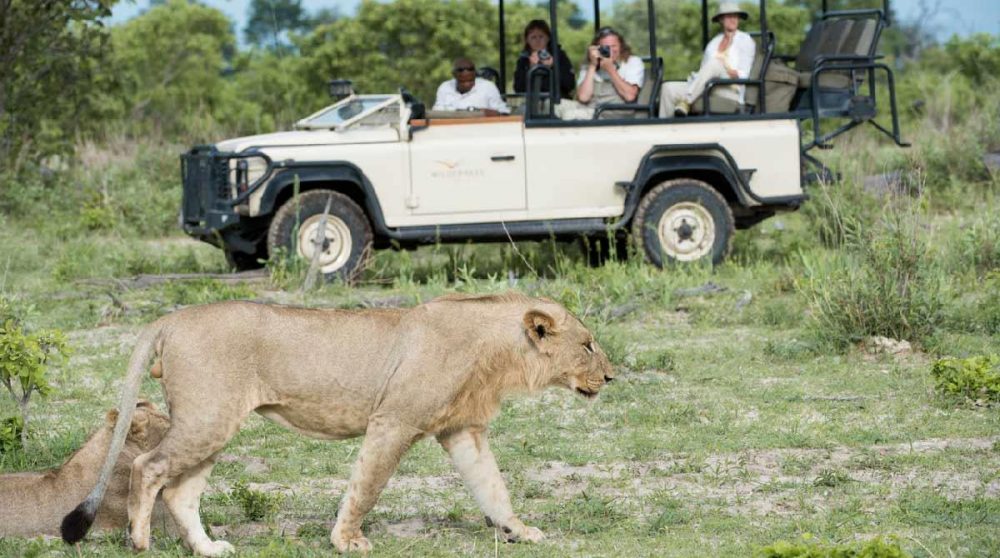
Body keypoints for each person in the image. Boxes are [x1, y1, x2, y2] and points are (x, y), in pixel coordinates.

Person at [659, 2, 755, 117]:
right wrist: (703, 77)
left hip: (730, 88)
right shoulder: (713, 44)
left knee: (715, 64)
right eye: (729, 16)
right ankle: (666, 130)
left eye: (735, 16)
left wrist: (722, 70)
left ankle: (686, 101)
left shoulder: (745, 40)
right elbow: (703, 72)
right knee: (668, 88)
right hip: (707, 86)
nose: (733, 19)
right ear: (721, 19)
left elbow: (745, 73)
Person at [556, 26, 644, 120]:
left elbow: (630, 96)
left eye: (613, 46)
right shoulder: (590, 65)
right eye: (605, 47)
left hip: (613, 113)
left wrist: (611, 70)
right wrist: (593, 65)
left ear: (621, 47)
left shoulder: (632, 62)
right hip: (590, 108)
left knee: (571, 115)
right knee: (554, 106)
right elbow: (583, 98)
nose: (610, 51)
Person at [513, 19, 575, 99]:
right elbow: (518, 88)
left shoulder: (559, 56)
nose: (537, 41)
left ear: (548, 38)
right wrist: (531, 69)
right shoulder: (523, 60)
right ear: (527, 40)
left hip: (557, 101)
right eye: (533, 37)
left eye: (541, 37)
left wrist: (552, 68)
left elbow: (570, 85)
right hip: (532, 103)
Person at [432, 58, 511, 114]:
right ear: (454, 75)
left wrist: (481, 112)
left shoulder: (488, 87)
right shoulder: (445, 87)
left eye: (470, 81)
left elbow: (503, 112)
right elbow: (436, 113)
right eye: (462, 81)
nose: (467, 84)